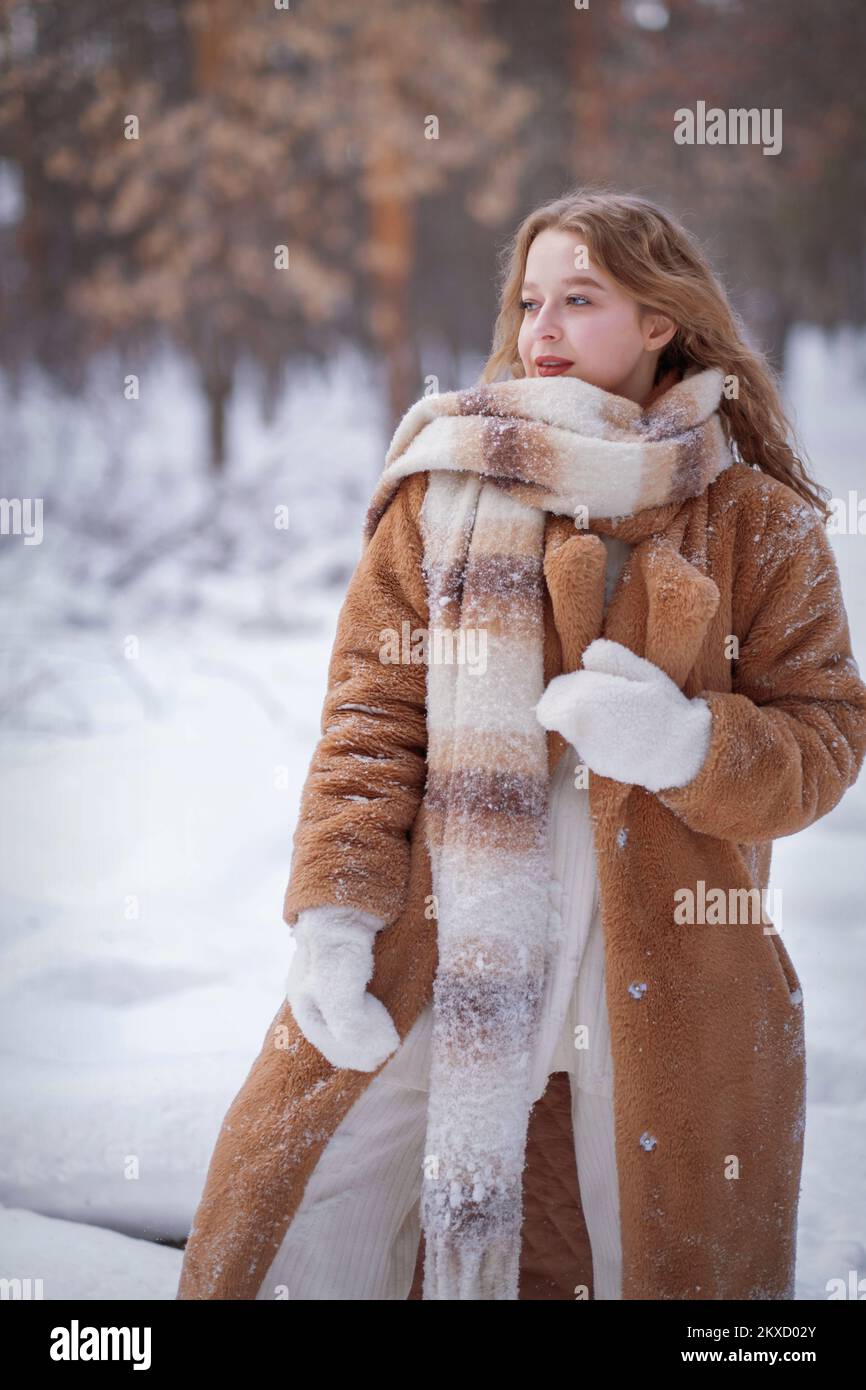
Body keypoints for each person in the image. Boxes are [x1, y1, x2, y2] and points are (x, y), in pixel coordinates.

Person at [176, 188, 866, 1302]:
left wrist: (688, 745)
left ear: (660, 322)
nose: (539, 328)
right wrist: (336, 919)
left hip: (665, 971)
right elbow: (370, 718)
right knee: (303, 1209)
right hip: (437, 947)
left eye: (578, 298)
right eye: (529, 298)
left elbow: (826, 736)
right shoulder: (441, 490)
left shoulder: (758, 523)